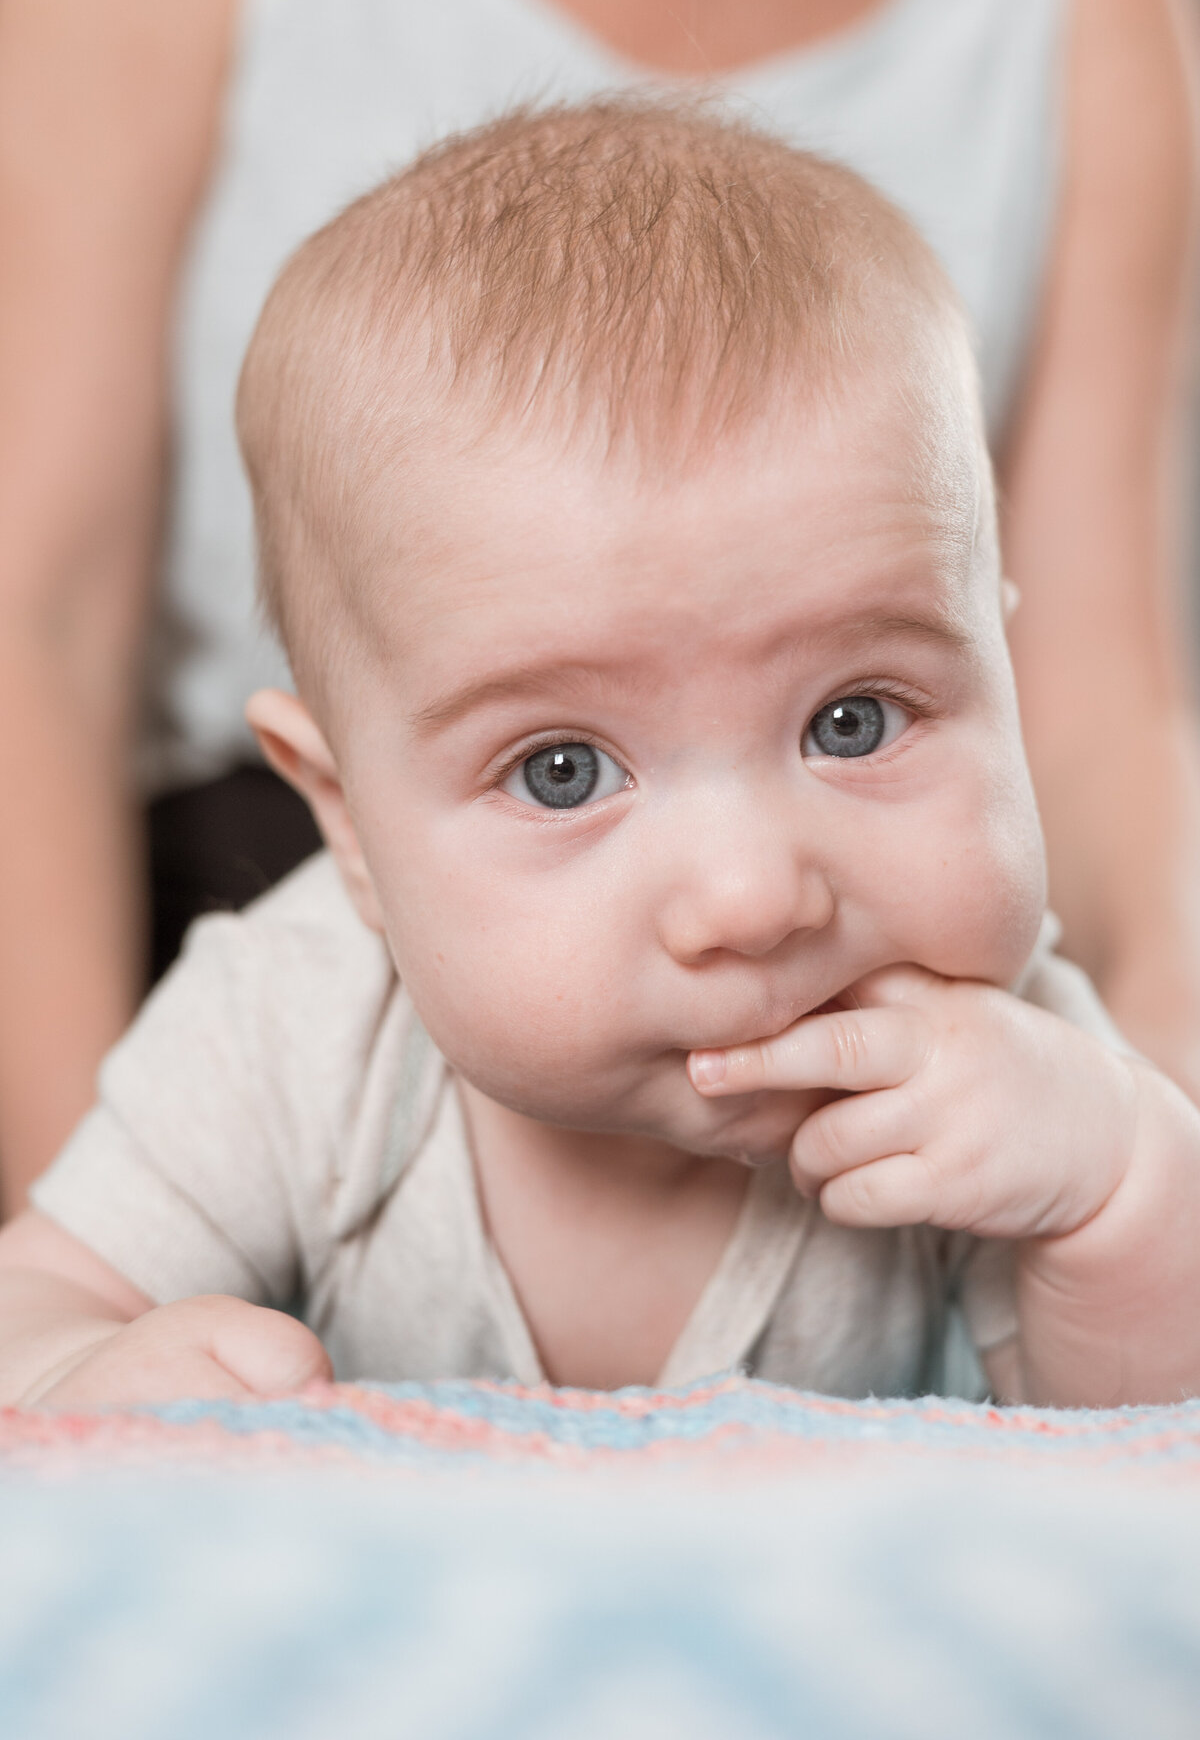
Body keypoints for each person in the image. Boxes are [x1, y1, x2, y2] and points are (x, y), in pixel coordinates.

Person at [2, 104, 1199, 1410]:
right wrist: (85, 1368)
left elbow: (1131, 1473)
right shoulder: (292, 1032)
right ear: (347, 821)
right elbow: (45, 1298)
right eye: (561, 769)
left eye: (853, 719)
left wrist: (1126, 1200)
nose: (752, 898)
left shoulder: (1014, 1068)